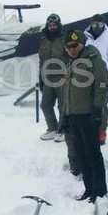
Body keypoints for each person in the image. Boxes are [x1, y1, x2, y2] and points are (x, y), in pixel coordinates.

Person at [60, 29, 108, 202]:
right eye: (68, 47)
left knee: (93, 154)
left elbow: (102, 84)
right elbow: (66, 93)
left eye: (75, 45)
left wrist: (97, 109)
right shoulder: (70, 63)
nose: (72, 49)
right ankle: (89, 189)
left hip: (89, 116)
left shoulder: (93, 59)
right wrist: (64, 117)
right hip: (74, 117)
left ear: (82, 44)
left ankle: (100, 191)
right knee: (81, 154)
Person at [84, 13, 108, 145]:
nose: (96, 27)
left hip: (104, 78)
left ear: (103, 25)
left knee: (101, 107)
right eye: (94, 24)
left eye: (99, 24)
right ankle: (89, 131)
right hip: (87, 79)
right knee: (87, 106)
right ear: (90, 24)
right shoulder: (85, 39)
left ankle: (101, 132)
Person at [37, 13, 66, 142]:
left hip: (62, 77)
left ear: (58, 25)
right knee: (45, 104)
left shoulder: (64, 38)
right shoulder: (44, 39)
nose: (52, 27)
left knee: (63, 106)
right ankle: (52, 128)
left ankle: (63, 130)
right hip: (48, 78)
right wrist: (41, 78)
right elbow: (41, 60)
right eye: (50, 25)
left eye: (54, 25)